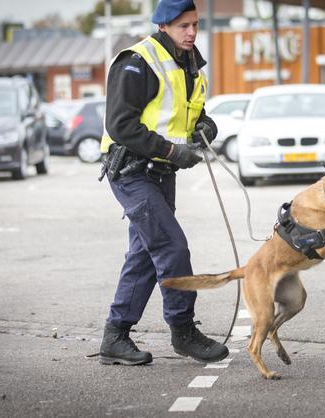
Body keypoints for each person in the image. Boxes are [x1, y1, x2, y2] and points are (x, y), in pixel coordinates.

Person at [97, 0, 228, 366]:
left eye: (195, 25)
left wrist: (207, 127)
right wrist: (172, 152)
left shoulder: (190, 66)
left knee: (143, 257)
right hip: (131, 173)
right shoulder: (138, 62)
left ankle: (115, 336)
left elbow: (193, 116)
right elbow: (121, 125)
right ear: (164, 26)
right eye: (183, 25)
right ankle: (183, 332)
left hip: (159, 174)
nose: (191, 32)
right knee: (172, 248)